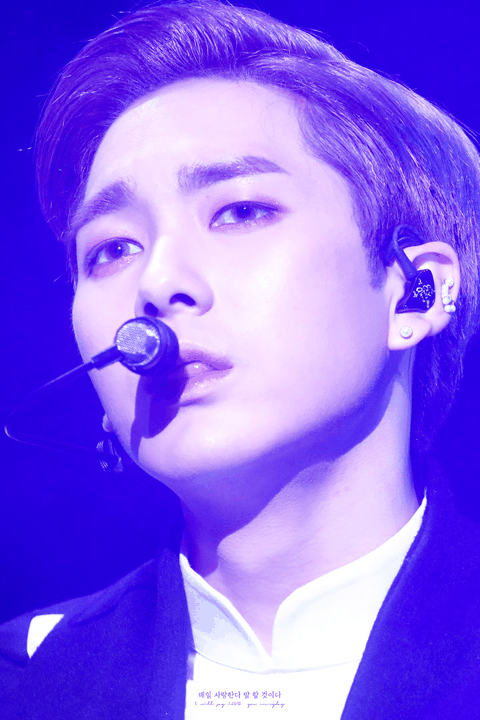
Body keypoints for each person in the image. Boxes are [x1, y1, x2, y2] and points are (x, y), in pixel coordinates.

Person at [1, 1, 480, 717]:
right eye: (111, 249)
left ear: (414, 293)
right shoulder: (24, 681)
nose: (157, 282)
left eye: (240, 212)